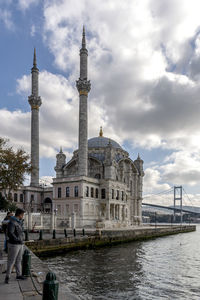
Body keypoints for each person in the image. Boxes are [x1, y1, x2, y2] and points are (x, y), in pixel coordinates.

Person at [5, 208, 26, 284]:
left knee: (19, 260)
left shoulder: (19, 222)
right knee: (11, 260)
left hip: (20, 244)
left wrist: (21, 240)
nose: (23, 216)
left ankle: (19, 275)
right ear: (20, 214)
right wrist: (17, 239)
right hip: (14, 244)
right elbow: (10, 233)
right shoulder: (12, 222)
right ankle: (7, 277)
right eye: (22, 214)